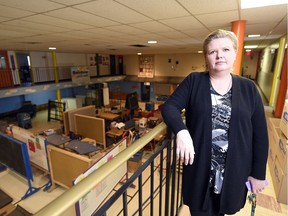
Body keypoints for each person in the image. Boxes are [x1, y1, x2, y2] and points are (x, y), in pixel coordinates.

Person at [161, 29, 268, 216]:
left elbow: (260, 135)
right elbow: (169, 107)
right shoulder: (194, 81)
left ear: (235, 54)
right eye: (212, 52)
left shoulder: (248, 88)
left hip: (235, 171)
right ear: (206, 57)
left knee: (224, 210)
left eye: (226, 50)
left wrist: (258, 174)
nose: (219, 55)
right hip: (200, 172)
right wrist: (181, 131)